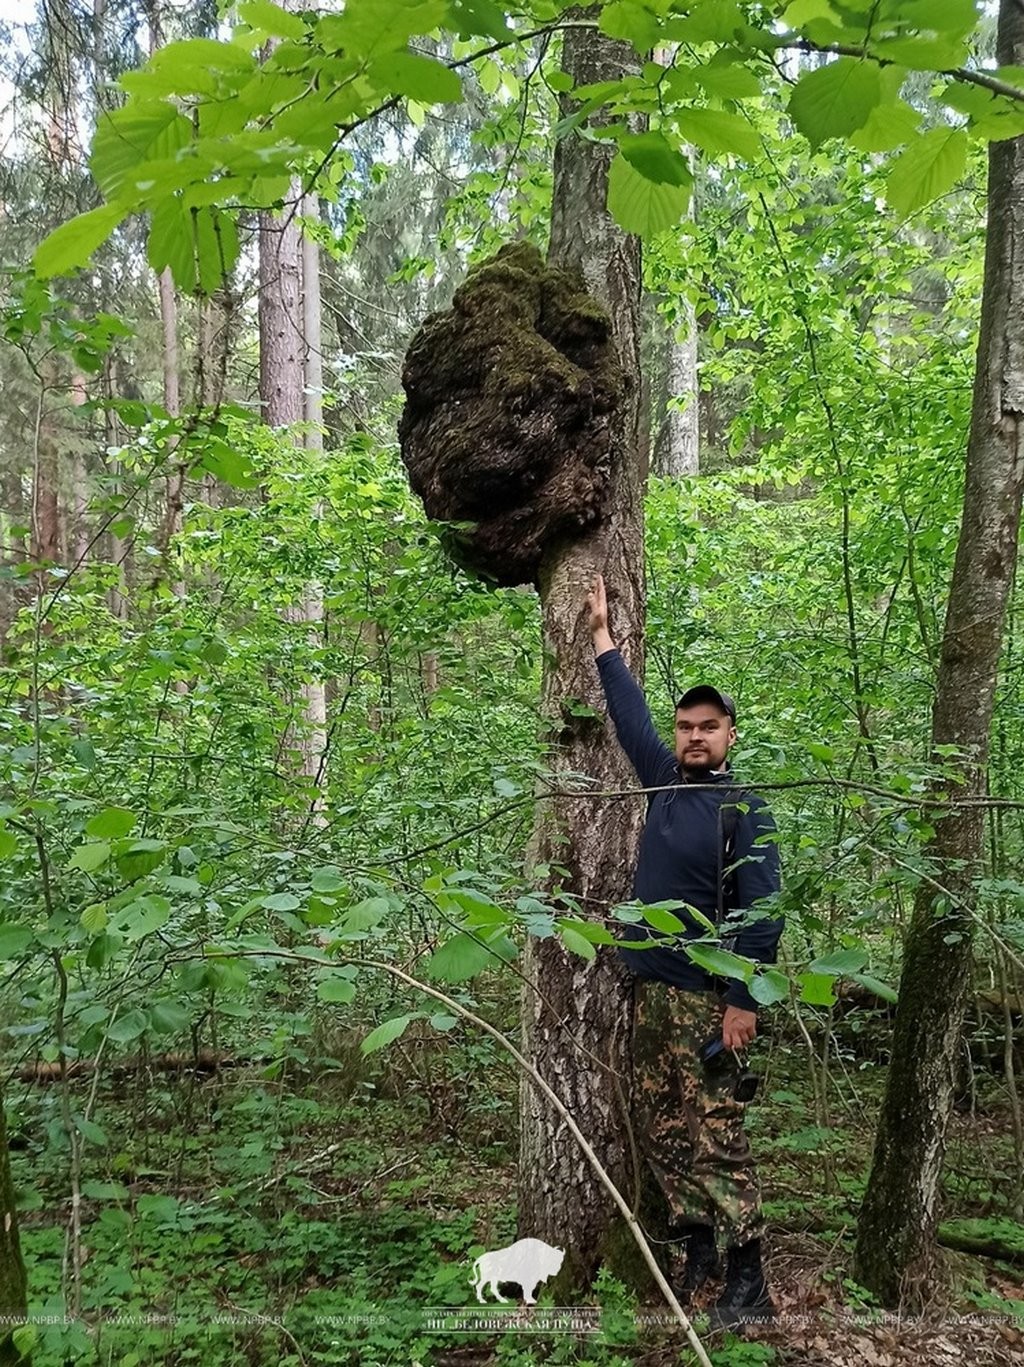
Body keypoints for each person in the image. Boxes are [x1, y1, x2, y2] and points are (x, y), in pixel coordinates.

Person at [586, 573, 783, 1329]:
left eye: (709, 725)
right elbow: (627, 712)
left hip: (709, 1002)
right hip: (651, 995)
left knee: (719, 1135)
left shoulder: (745, 808)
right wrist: (603, 634)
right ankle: (698, 1246)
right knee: (667, 1130)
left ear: (730, 734)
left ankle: (749, 1278)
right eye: (686, 725)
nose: (695, 735)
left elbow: (763, 909)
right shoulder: (664, 783)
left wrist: (740, 1001)